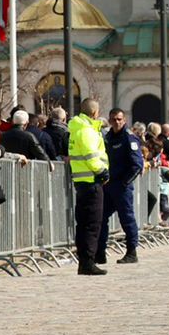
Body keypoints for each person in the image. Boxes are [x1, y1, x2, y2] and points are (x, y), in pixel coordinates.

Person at [67, 98, 109, 277]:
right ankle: (87, 262)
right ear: (94, 113)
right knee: (92, 224)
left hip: (83, 181)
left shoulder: (79, 128)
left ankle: (85, 261)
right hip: (91, 181)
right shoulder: (86, 131)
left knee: (84, 223)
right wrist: (102, 171)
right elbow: (91, 155)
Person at [97, 107, 144, 265]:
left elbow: (137, 165)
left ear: (124, 120)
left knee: (126, 218)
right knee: (101, 217)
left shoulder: (129, 138)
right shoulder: (108, 137)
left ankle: (132, 251)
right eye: (113, 119)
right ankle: (100, 252)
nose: (116, 122)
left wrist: (125, 182)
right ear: (109, 121)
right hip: (108, 185)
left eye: (119, 119)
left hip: (122, 187)